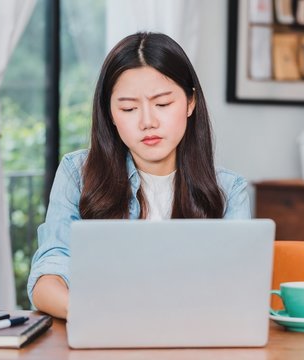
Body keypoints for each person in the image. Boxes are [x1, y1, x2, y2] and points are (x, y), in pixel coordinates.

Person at [27, 32, 251, 319]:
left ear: (190, 103)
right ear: (109, 113)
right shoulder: (78, 174)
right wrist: (98, 314)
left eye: (163, 104)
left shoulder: (228, 190)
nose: (148, 122)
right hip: (103, 338)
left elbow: (236, 286)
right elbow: (49, 275)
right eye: (129, 108)